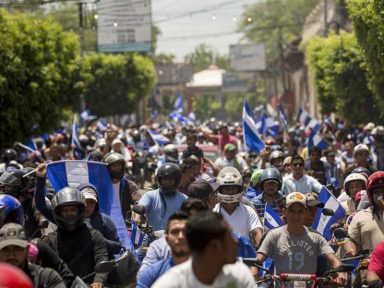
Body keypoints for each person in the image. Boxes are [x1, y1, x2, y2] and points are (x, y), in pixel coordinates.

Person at [253, 192, 347, 285]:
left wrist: (341, 272)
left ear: (305, 212)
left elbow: (334, 260)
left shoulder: (317, 237)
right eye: (292, 211)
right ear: (284, 211)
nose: (296, 216)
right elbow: (258, 259)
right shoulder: (274, 235)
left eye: (300, 211)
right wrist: (254, 269)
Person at [152, 211, 255, 288]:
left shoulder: (239, 275)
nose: (236, 242)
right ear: (214, 246)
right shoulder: (170, 284)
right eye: (230, 237)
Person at [41, 187, 108, 287]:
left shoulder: (94, 236)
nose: (69, 214)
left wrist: (98, 280)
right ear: (59, 213)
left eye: (73, 210)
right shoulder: (49, 240)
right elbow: (40, 268)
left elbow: (102, 259)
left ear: (80, 211)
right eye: (65, 210)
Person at [0, 223, 65, 288]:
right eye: (5, 250)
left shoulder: (46, 278)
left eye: (17, 249)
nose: (11, 256)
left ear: (27, 249)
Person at [136, 211, 190, 288]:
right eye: (175, 232)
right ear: (167, 239)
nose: (181, 236)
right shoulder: (150, 274)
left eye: (186, 232)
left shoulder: (208, 271)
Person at [213, 167, 263, 247]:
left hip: (244, 256)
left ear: (239, 189)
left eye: (233, 188)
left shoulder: (248, 210)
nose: (230, 191)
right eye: (226, 188)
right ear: (220, 189)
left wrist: (261, 251)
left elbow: (257, 233)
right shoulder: (213, 211)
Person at [138, 163, 187, 231]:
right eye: (165, 179)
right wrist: (138, 217)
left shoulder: (184, 199)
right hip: (151, 238)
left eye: (170, 179)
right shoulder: (150, 195)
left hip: (175, 237)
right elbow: (140, 208)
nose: (167, 181)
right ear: (160, 180)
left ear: (176, 180)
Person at [345, 171, 384, 256]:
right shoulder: (360, 216)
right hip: (372, 265)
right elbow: (351, 240)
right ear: (370, 195)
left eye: (383, 191)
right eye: (377, 192)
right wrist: (351, 249)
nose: (381, 195)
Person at [102, 152, 140, 218]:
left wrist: (138, 213)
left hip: (124, 221)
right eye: (114, 165)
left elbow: (137, 202)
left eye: (119, 165)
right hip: (105, 219)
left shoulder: (130, 185)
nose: (117, 167)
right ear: (108, 168)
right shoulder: (101, 185)